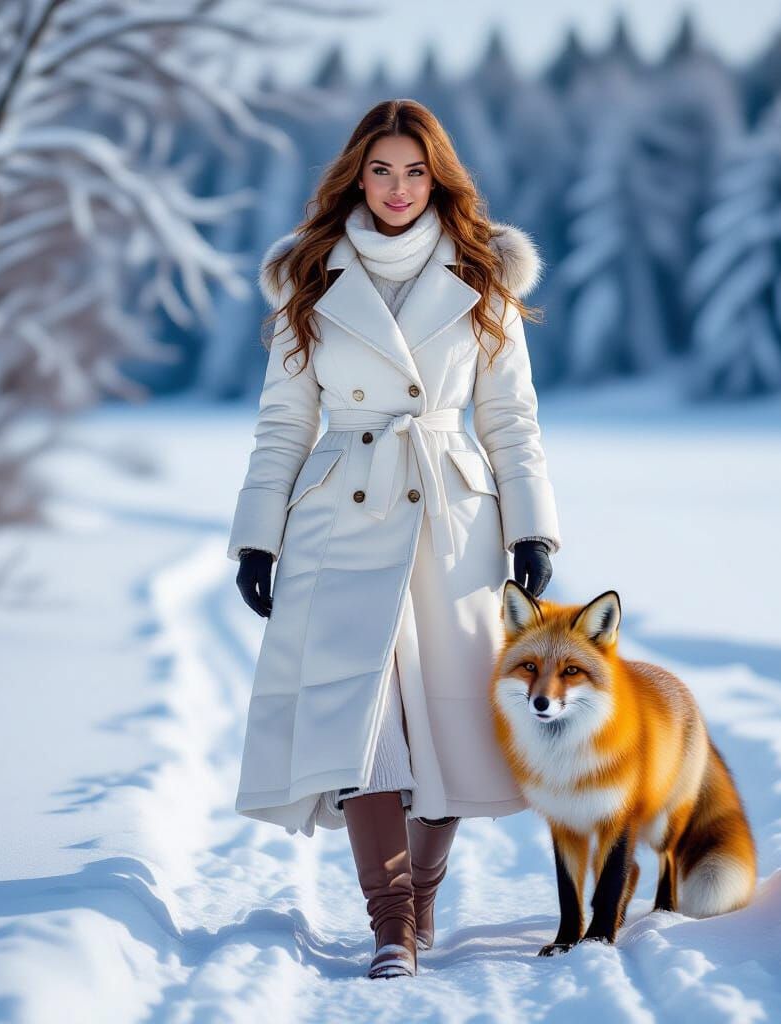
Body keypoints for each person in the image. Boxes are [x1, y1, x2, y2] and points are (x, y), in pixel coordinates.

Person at [226, 99, 561, 979]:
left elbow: (512, 421)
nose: (399, 188)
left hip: (453, 522)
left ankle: (424, 895)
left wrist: (532, 528)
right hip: (344, 517)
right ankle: (390, 925)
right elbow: (282, 424)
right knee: (359, 721)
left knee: (450, 724)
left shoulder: (483, 277)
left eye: (415, 171)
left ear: (437, 176)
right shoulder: (312, 279)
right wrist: (257, 538)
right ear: (356, 176)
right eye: (382, 170)